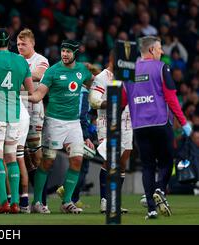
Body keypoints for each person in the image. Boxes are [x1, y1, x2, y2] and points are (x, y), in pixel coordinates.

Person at [122, 36, 191, 219]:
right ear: (152, 50)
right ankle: (160, 189)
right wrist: (184, 123)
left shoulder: (128, 71)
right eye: (160, 48)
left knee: (147, 166)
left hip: (139, 127)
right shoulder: (161, 68)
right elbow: (171, 99)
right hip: (160, 123)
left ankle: (151, 209)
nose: (162, 52)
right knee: (168, 162)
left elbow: (122, 99)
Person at [28, 39, 94, 214]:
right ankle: (37, 202)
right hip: (54, 122)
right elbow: (39, 94)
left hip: (74, 124)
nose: (64, 54)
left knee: (77, 160)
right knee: (47, 161)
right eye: (62, 51)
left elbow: (93, 82)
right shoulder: (53, 71)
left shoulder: (82, 70)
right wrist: (23, 96)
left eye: (68, 52)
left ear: (75, 53)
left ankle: (67, 202)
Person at [0, 28, 34, 213]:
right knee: (11, 158)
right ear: (9, 42)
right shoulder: (21, 61)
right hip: (15, 115)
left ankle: (3, 202)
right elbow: (30, 90)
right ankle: (16, 202)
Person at [89, 52, 133, 214]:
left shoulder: (128, 77)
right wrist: (112, 103)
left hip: (127, 123)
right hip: (108, 123)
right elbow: (94, 101)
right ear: (113, 59)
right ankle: (104, 200)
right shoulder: (102, 77)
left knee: (122, 163)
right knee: (111, 161)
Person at [16, 29, 50, 213]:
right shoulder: (15, 58)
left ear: (32, 44)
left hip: (34, 113)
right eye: (19, 44)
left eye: (24, 44)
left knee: (37, 157)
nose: (20, 47)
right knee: (22, 158)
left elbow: (37, 75)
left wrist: (16, 73)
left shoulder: (41, 60)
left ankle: (41, 201)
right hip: (16, 113)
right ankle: (23, 200)